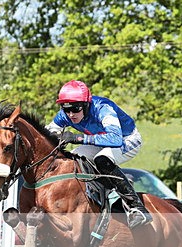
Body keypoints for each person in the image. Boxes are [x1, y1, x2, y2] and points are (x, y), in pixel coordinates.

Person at [46, 80, 152, 228]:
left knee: (102, 160)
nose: (71, 114)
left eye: (76, 109)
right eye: (65, 109)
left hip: (126, 140)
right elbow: (46, 133)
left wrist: (78, 138)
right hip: (101, 142)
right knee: (72, 159)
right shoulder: (66, 114)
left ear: (86, 104)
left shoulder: (103, 108)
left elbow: (115, 139)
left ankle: (136, 208)